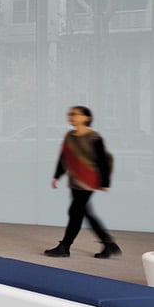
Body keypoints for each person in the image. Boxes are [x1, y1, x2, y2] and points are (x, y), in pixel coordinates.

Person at [45, 105, 120, 259]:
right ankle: (109, 244)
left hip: (89, 179)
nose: (72, 117)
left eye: (76, 114)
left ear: (87, 118)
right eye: (70, 114)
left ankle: (65, 247)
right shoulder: (69, 136)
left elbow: (102, 161)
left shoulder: (94, 137)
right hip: (75, 179)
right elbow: (64, 158)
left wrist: (105, 182)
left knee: (75, 212)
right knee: (84, 212)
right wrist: (57, 175)